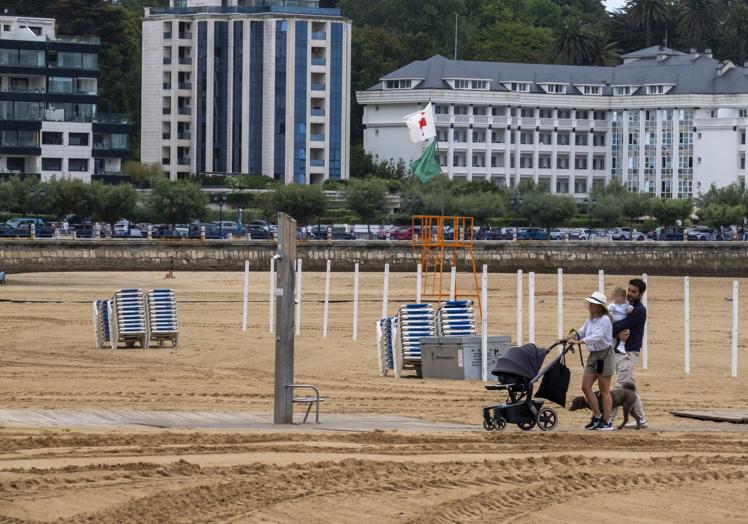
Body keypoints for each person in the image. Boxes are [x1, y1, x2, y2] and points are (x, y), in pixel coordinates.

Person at [566, 291, 615, 431]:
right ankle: (597, 415)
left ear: (600, 307)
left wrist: (580, 341)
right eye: (590, 303)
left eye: (593, 304)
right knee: (585, 387)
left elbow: (597, 336)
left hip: (604, 356)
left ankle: (607, 421)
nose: (590, 306)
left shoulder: (605, 320)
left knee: (604, 390)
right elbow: (582, 331)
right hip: (593, 356)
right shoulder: (590, 320)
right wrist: (571, 336)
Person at [611, 278, 648, 428]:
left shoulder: (639, 310)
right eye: (629, 291)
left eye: (634, 292)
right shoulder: (627, 306)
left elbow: (619, 326)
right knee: (630, 387)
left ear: (641, 294)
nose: (630, 294)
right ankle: (642, 419)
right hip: (623, 352)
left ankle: (608, 419)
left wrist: (610, 329)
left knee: (620, 387)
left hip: (628, 353)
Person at [608, 287, 632, 355]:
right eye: (615, 296)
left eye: (617, 297)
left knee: (627, 332)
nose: (615, 298)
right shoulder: (613, 305)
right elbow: (607, 309)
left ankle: (621, 345)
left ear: (623, 297)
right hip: (615, 322)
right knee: (614, 337)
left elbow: (630, 307)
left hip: (623, 322)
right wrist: (609, 313)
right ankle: (611, 349)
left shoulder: (626, 304)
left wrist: (630, 309)